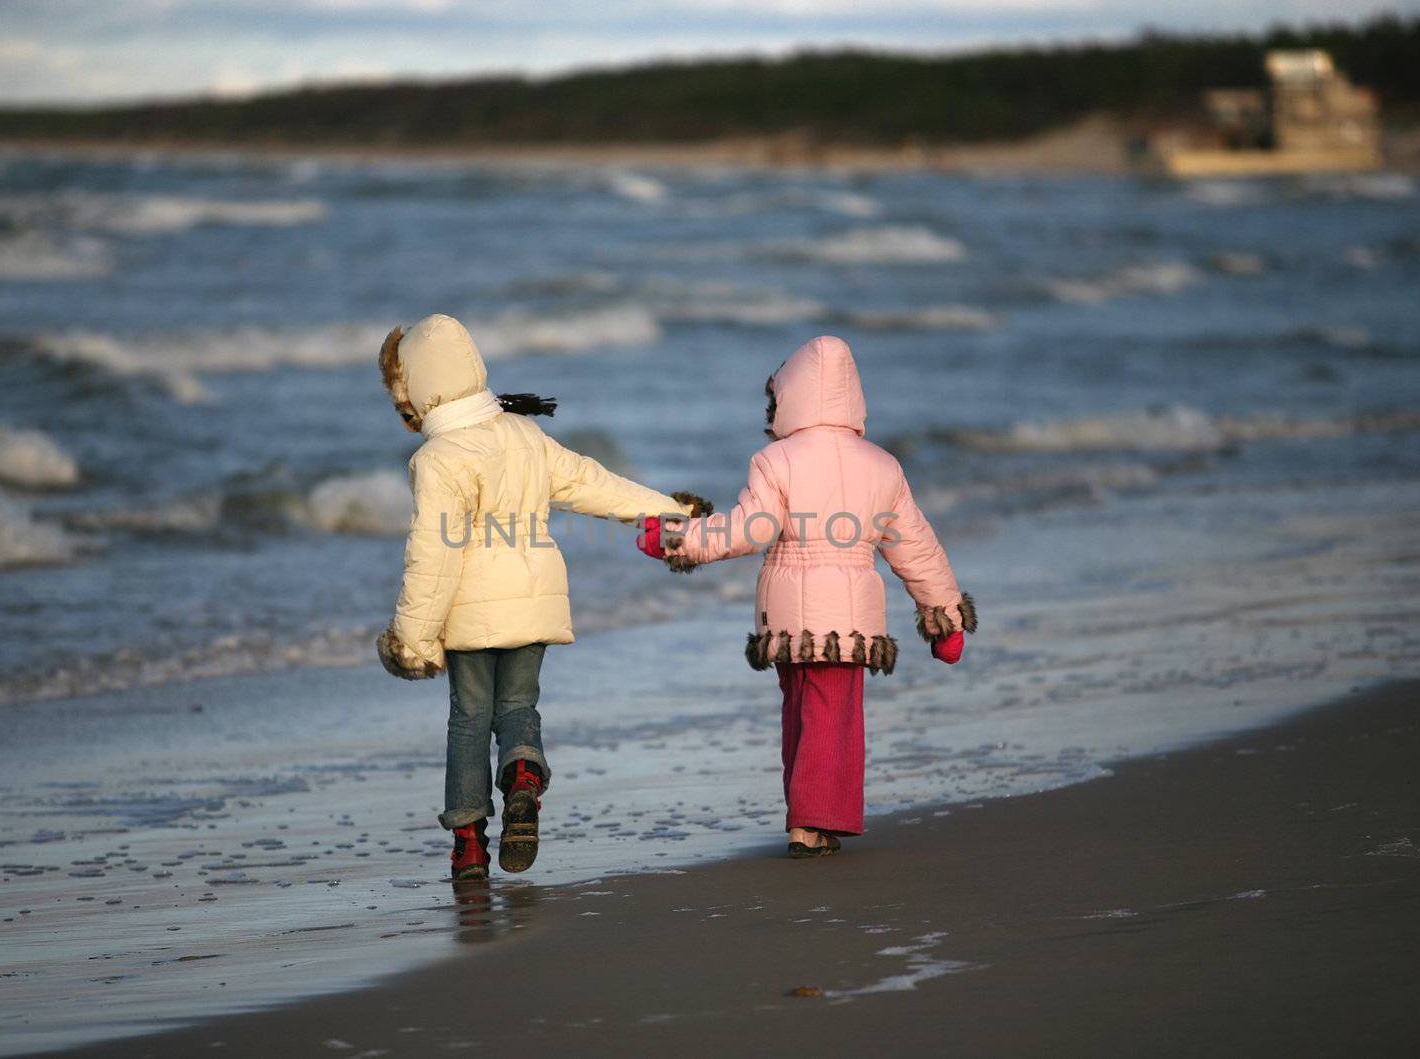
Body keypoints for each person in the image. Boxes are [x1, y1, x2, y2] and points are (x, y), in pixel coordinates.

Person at [375, 314, 710, 881]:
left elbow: (433, 557)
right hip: (537, 602)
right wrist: (669, 511)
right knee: (519, 708)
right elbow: (592, 483)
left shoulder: (438, 459)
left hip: (471, 613)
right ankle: (524, 777)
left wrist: (412, 638)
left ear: (418, 388)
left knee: (468, 720)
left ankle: (469, 845)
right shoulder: (525, 434)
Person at [637, 335, 973, 858]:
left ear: (789, 395)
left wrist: (680, 538)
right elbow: (916, 547)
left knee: (799, 711)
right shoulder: (882, 467)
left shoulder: (777, 459)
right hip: (850, 619)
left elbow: (748, 529)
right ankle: (812, 823)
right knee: (833, 715)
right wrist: (944, 617)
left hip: (787, 613)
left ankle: (807, 818)